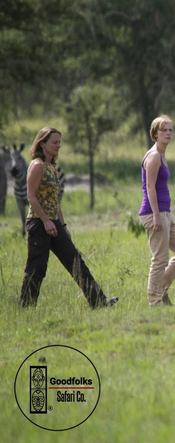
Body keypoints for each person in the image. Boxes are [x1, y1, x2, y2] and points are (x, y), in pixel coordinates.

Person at [19, 127, 119, 308]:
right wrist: (46, 221)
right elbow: (31, 197)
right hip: (38, 222)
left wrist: (62, 225)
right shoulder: (37, 166)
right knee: (37, 267)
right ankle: (26, 306)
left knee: (75, 261)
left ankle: (98, 301)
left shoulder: (53, 167)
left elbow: (55, 201)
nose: (58, 145)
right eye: (54, 142)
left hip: (53, 222)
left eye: (59, 142)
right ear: (43, 144)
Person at [139, 115, 175, 306]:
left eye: (170, 130)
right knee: (159, 259)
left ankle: (161, 290)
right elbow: (149, 188)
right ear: (155, 133)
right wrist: (156, 215)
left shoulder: (161, 154)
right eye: (164, 130)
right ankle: (155, 301)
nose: (168, 133)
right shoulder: (153, 156)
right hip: (155, 213)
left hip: (165, 212)